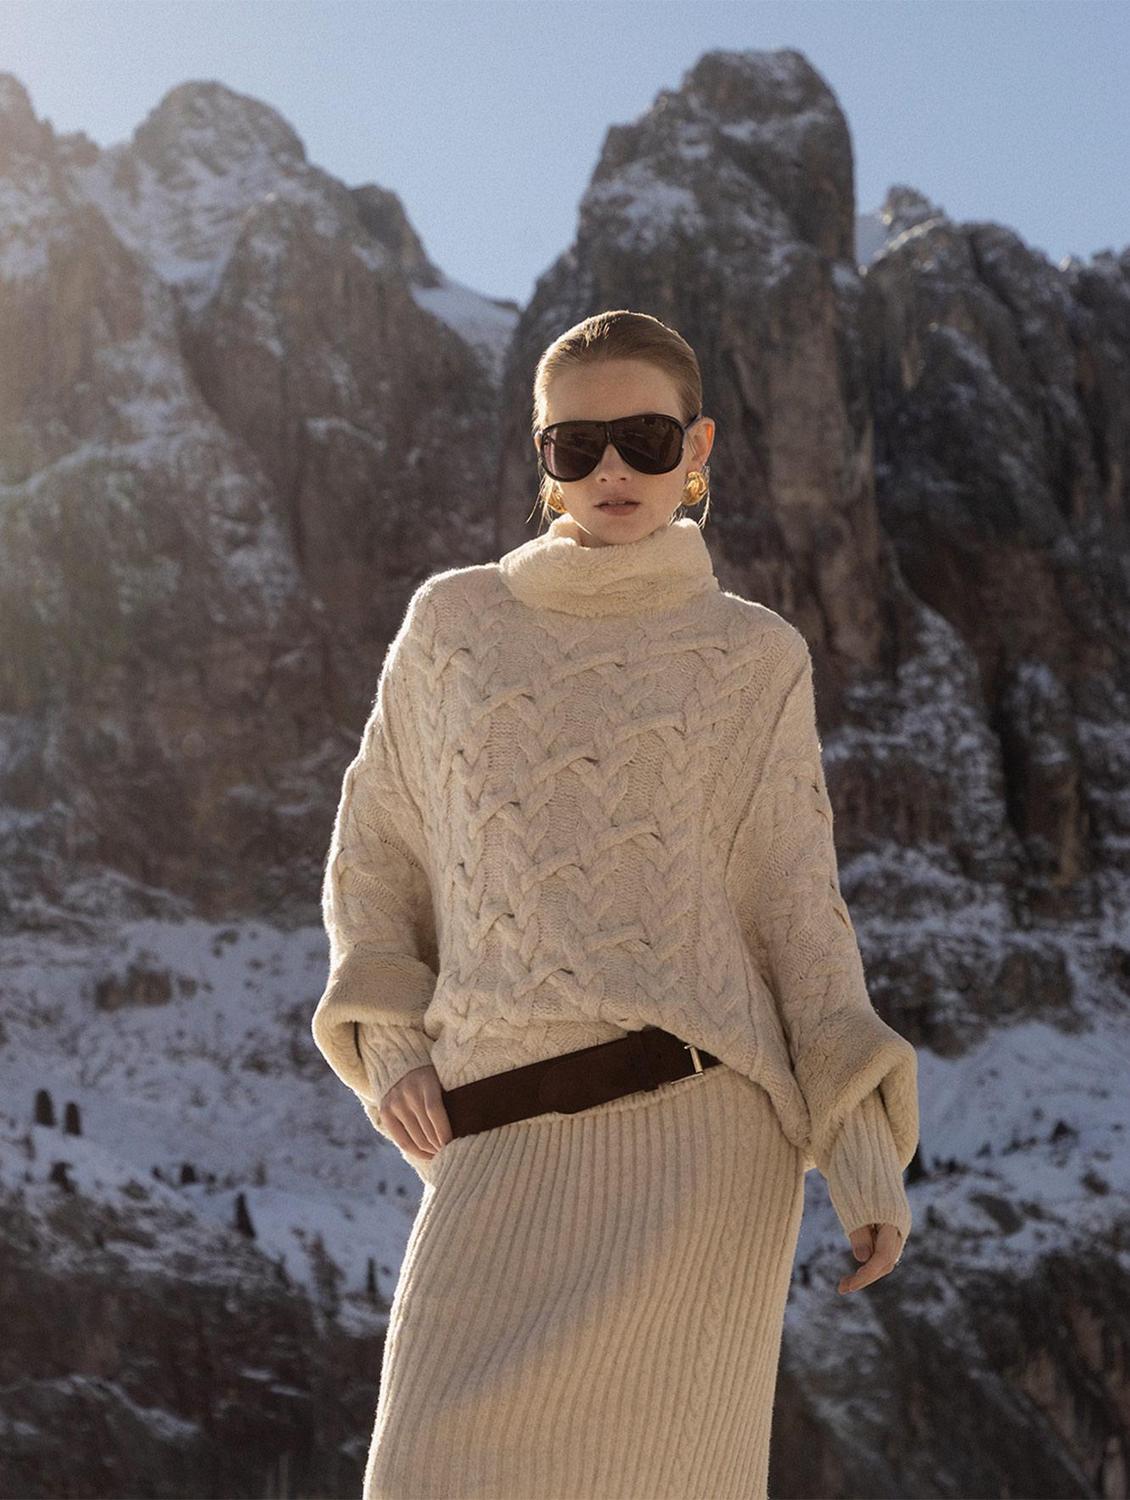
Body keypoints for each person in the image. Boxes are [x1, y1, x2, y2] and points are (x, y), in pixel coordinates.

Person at [311, 309, 919, 1500]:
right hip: (491, 1137)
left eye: (644, 438)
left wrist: (858, 1156)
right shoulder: (452, 626)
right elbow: (376, 853)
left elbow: (797, 914)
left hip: (700, 1136)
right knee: (422, 1472)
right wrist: (388, 1048)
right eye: (574, 445)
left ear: (697, 448)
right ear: (541, 459)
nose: (611, 471)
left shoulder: (753, 657)